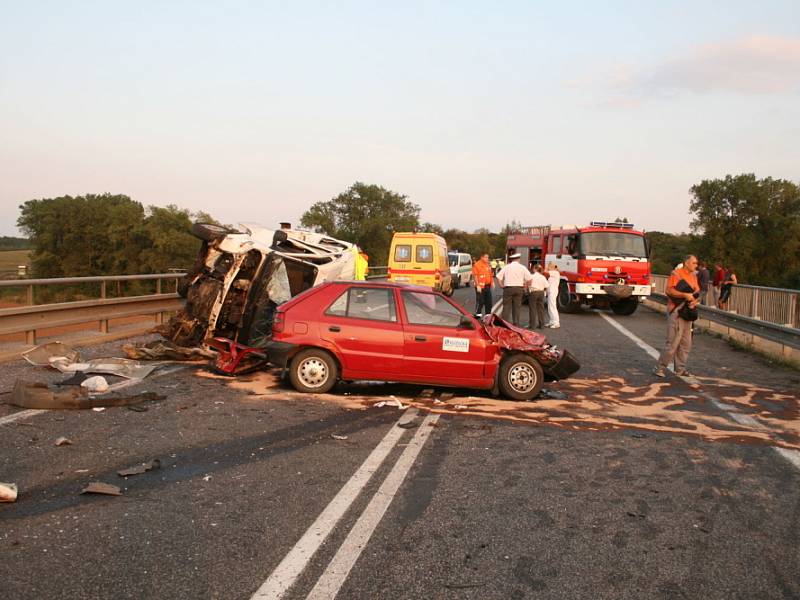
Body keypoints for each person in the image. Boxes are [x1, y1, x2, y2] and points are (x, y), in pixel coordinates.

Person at [654, 255, 700, 378]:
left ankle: (680, 369)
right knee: (673, 342)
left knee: (686, 343)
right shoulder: (676, 274)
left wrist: (694, 300)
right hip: (676, 310)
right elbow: (669, 291)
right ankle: (660, 367)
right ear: (686, 263)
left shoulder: (694, 276)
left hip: (688, 310)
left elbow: (696, 291)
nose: (696, 265)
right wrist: (684, 295)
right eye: (694, 263)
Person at [496, 253, 532, 326]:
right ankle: (516, 323)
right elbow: (530, 279)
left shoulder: (507, 267)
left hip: (508, 288)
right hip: (519, 289)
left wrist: (501, 285)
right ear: (518, 259)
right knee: (517, 307)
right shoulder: (522, 267)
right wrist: (525, 286)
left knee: (506, 307)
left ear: (511, 259)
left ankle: (505, 323)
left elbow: (498, 277)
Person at [544, 262, 561, 328]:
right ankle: (551, 321)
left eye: (549, 266)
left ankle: (556, 322)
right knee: (550, 307)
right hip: (550, 291)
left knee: (552, 306)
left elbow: (545, 273)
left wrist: (546, 268)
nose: (548, 267)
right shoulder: (553, 273)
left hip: (553, 291)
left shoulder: (555, 272)